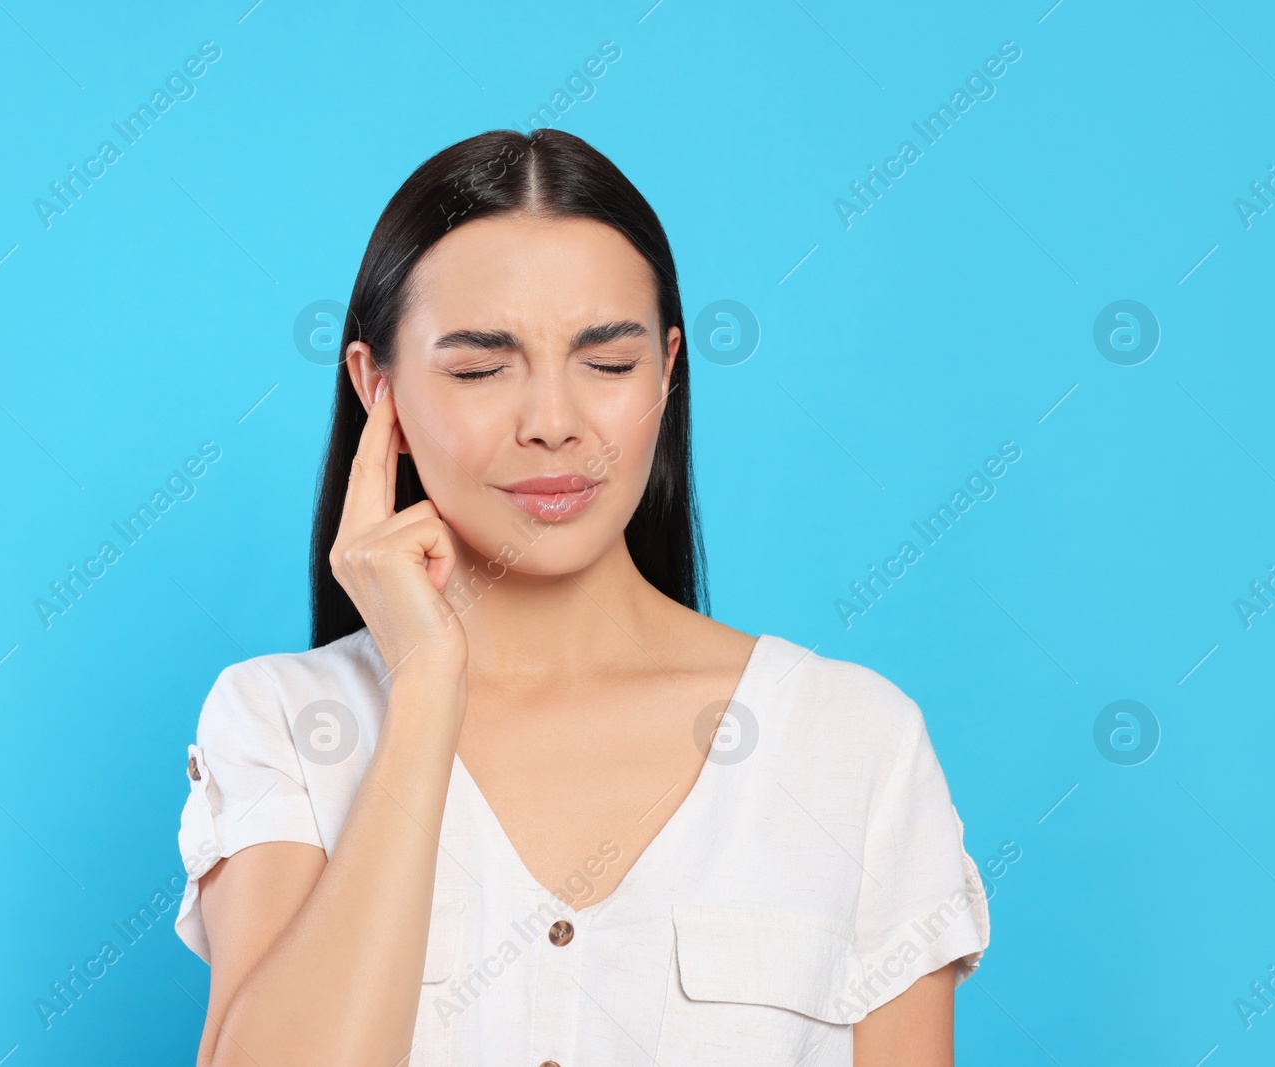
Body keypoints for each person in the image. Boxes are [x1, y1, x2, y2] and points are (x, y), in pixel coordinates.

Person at [173, 127, 989, 1066]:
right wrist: (428, 686)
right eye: (481, 368)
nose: (554, 424)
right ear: (376, 386)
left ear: (670, 368)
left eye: (608, 364)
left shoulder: (854, 743)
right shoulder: (281, 723)